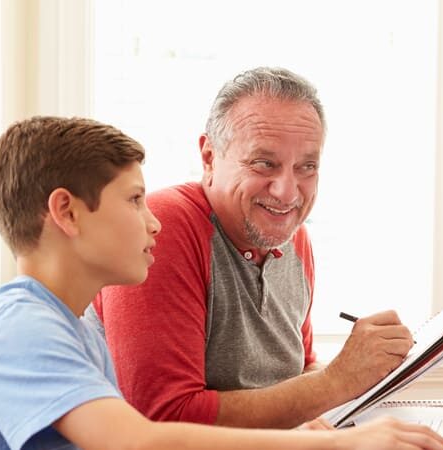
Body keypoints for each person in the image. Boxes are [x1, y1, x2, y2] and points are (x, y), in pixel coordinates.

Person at [0, 116, 443, 450]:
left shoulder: (75, 331)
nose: (152, 221)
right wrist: (335, 444)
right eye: (134, 200)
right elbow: (138, 440)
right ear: (66, 212)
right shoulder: (16, 326)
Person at [84, 67, 415, 428]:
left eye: (307, 167)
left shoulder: (292, 236)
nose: (287, 193)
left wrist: (355, 383)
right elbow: (163, 417)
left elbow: (300, 369)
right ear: (209, 157)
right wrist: (337, 381)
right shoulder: (163, 228)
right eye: (264, 163)